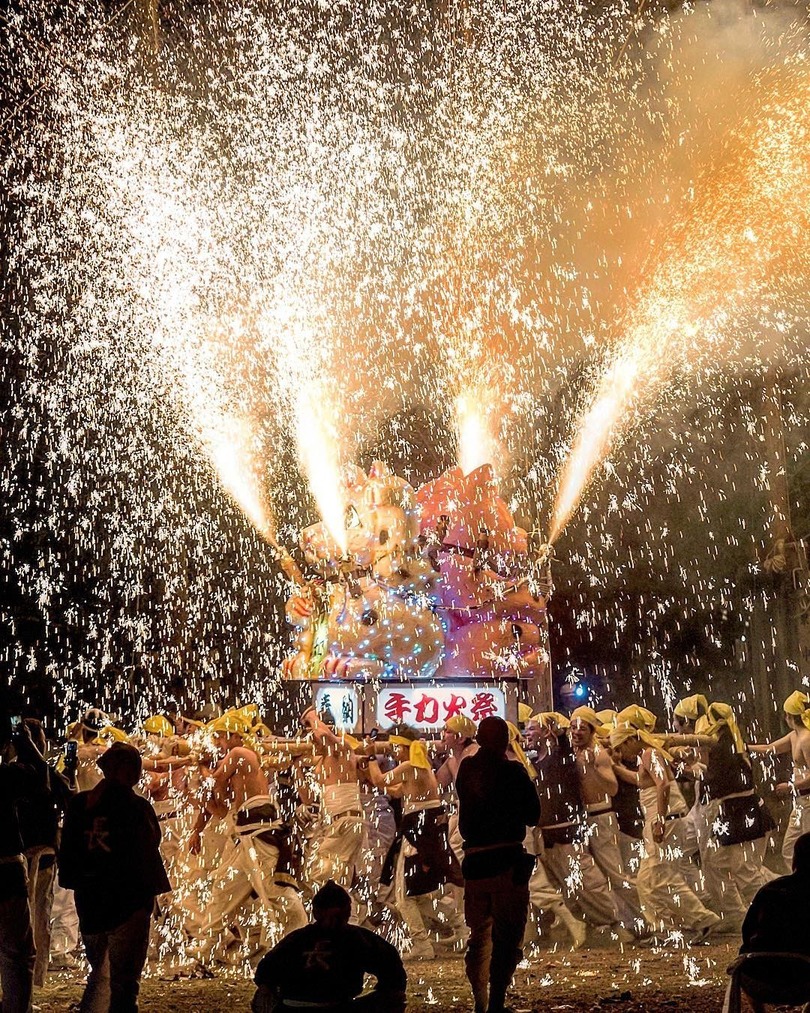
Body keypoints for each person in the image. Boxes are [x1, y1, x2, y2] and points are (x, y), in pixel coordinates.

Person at [59, 741, 171, 1012]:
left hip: (91, 903)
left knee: (101, 971)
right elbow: (149, 845)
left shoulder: (78, 805)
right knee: (124, 982)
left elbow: (69, 853)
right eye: (134, 768)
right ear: (124, 771)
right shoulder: (137, 807)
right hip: (128, 904)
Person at [456, 715, 540, 1013]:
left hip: (475, 864)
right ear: (506, 742)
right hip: (506, 863)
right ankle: (496, 1003)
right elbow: (533, 815)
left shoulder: (466, 769)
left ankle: (479, 1003)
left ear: (478, 739)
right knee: (506, 938)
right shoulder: (514, 771)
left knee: (479, 937)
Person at [610, 725, 721, 941]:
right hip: (659, 820)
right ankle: (664, 929)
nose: (621, 753)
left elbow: (663, 785)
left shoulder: (651, 753)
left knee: (662, 876)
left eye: (620, 747)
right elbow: (642, 781)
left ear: (630, 740)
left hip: (665, 820)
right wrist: (616, 767)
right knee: (645, 880)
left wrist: (660, 819)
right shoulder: (648, 755)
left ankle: (702, 920)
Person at [369, 725, 463, 960]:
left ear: (403, 746)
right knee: (420, 894)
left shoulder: (410, 766)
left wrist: (369, 755)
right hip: (425, 830)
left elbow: (380, 780)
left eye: (395, 748)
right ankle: (462, 927)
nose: (393, 753)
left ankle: (422, 944)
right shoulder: (420, 767)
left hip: (418, 832)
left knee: (403, 896)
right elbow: (398, 792)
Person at [251, 880, 406, 1013]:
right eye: (328, 917)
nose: (332, 923)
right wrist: (266, 989)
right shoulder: (299, 939)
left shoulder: (355, 938)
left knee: (394, 997)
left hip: (337, 1007)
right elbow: (266, 970)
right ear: (317, 914)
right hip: (297, 1009)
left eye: (337, 917)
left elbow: (392, 971)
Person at [570, 706, 643, 933]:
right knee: (592, 873)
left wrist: (596, 767)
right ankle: (612, 919)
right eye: (573, 727)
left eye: (582, 728)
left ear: (592, 731)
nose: (577, 732)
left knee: (615, 873)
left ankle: (639, 921)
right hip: (583, 819)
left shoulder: (597, 753)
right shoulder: (576, 752)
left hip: (601, 817)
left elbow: (612, 788)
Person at [723, 832, 810, 1013]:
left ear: (794, 860)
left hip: (758, 979)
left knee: (745, 957)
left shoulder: (769, 889)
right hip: (805, 981)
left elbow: (747, 933)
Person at [0, 720, 49, 1013]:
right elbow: (40, 781)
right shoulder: (4, 776)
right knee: (16, 954)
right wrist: (27, 741)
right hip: (4, 870)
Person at [749, 690, 810, 866]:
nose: (784, 718)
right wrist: (744, 747)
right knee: (789, 850)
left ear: (791, 716)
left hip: (808, 800)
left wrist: (791, 787)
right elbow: (770, 748)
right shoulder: (794, 735)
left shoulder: (806, 739)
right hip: (800, 802)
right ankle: (798, 886)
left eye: (786, 715)